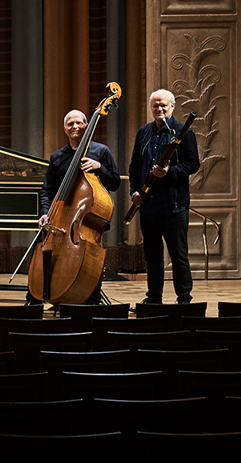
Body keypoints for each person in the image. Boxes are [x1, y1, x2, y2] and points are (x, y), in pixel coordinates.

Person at [25, 110, 121, 306]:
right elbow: (47, 190)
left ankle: (90, 298)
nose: (75, 127)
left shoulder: (101, 151)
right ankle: (35, 298)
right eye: (70, 124)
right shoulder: (57, 156)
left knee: (89, 257)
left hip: (86, 219)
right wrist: (45, 213)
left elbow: (115, 182)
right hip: (59, 217)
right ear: (64, 129)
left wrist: (100, 167)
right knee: (43, 248)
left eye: (79, 123)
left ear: (87, 126)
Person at [129, 89, 200, 306]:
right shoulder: (143, 132)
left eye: (163, 106)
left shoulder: (183, 132)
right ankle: (153, 298)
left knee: (178, 256)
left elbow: (193, 164)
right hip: (149, 206)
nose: (159, 109)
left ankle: (184, 301)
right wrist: (135, 191)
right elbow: (134, 166)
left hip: (174, 206)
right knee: (152, 256)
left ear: (172, 107)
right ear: (150, 107)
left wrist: (171, 172)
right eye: (155, 106)